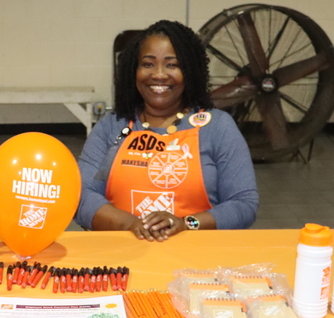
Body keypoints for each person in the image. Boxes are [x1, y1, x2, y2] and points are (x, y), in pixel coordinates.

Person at [75, 20, 259, 241]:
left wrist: (186, 224)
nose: (159, 74)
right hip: (123, 258)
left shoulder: (217, 127)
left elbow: (243, 204)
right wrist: (131, 225)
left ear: (189, 71)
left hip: (198, 262)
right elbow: (81, 196)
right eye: (148, 64)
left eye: (172, 65)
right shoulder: (113, 127)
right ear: (134, 71)